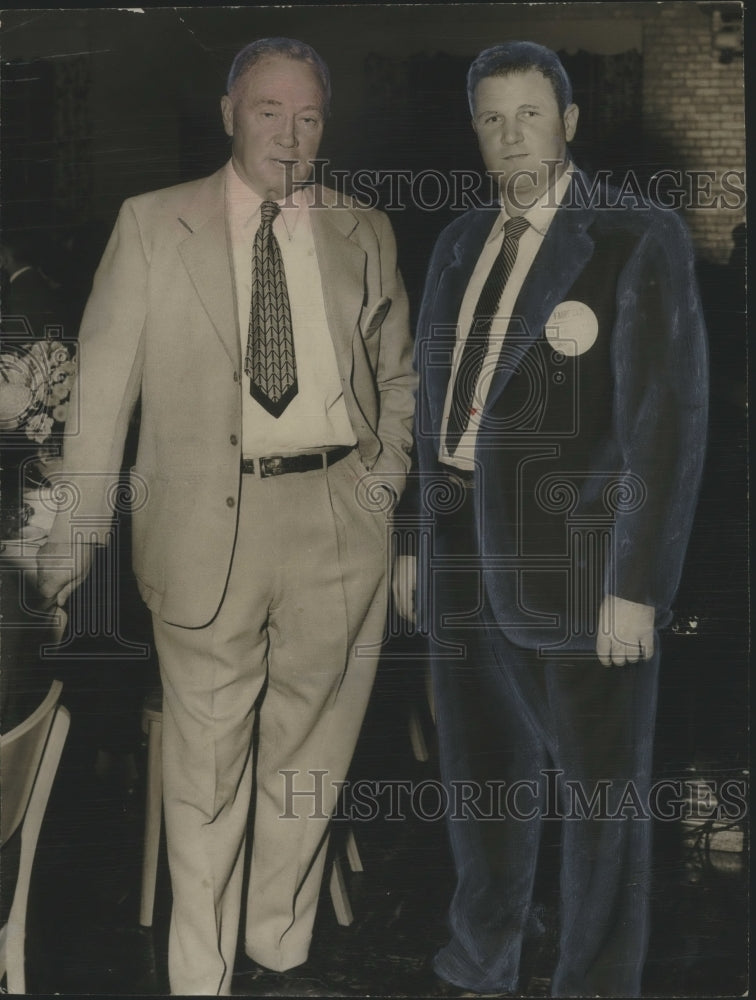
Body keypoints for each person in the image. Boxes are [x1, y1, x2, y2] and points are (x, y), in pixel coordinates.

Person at [37, 37, 415, 995]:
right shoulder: (153, 224)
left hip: (339, 522)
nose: (289, 135)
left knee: (309, 765)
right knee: (207, 775)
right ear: (226, 114)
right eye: (267, 112)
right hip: (206, 530)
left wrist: (382, 485)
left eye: (309, 116)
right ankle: (199, 979)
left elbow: (401, 379)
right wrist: (74, 547)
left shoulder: (364, 229)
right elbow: (100, 403)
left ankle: (279, 951)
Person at [395, 41, 707, 997]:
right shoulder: (457, 242)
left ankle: (595, 981)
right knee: (482, 785)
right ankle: (480, 959)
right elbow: (429, 411)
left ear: (569, 122)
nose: (510, 135)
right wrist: (414, 542)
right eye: (491, 118)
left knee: (601, 803)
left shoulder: (633, 235)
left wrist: (635, 588)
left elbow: (666, 424)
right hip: (457, 554)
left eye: (530, 113)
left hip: (580, 567)